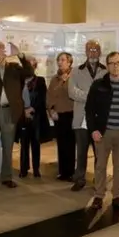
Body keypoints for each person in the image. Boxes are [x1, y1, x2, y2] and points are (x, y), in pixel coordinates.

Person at [85, 51, 119, 211]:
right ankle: (99, 196)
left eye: (118, 63)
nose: (115, 66)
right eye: (112, 63)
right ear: (107, 66)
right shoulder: (98, 85)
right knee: (100, 166)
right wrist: (93, 129)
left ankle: (117, 196)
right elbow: (89, 109)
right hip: (103, 133)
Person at [0, 41, 34, 188]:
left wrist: (20, 55)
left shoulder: (14, 67)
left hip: (10, 111)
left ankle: (6, 177)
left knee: (8, 145)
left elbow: (29, 72)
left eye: (1, 48)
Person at [69, 40, 106, 192]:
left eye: (96, 49)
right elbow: (72, 92)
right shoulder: (76, 71)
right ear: (85, 52)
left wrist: (92, 97)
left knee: (99, 153)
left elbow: (107, 92)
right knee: (81, 151)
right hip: (81, 118)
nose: (93, 52)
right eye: (90, 49)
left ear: (100, 52)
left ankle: (99, 181)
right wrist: (92, 96)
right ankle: (80, 179)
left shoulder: (106, 71)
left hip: (98, 119)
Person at [18, 57, 49, 178]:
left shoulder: (40, 81)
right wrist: (23, 110)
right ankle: (23, 169)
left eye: (31, 65)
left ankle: (36, 168)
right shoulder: (19, 81)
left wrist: (32, 109)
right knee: (24, 144)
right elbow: (16, 98)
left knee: (35, 143)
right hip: (23, 117)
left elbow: (42, 98)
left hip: (36, 116)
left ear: (35, 67)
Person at [47, 52, 75, 181]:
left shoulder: (74, 77)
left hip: (71, 113)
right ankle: (63, 171)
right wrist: (51, 110)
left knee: (70, 144)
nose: (60, 62)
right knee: (61, 144)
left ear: (69, 62)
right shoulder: (54, 79)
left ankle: (71, 171)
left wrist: (66, 80)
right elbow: (50, 96)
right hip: (58, 115)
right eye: (59, 60)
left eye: (63, 60)